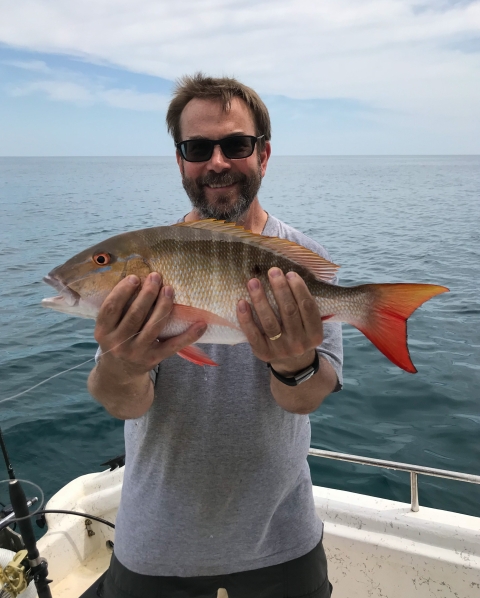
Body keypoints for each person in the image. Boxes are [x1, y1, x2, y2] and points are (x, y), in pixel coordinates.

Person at [88, 74, 343, 598]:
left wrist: (294, 365)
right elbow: (122, 403)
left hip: (282, 538)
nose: (218, 162)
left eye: (236, 144)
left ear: (263, 154)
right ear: (180, 160)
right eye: (198, 147)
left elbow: (308, 398)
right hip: (156, 545)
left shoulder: (301, 259)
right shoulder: (149, 262)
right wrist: (124, 364)